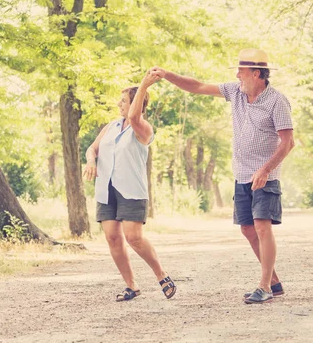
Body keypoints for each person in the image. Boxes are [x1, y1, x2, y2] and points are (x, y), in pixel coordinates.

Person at [150, 48, 294, 304]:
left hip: (265, 176)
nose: (237, 75)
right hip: (242, 175)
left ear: (257, 73)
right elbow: (197, 86)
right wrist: (167, 75)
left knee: (262, 227)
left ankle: (265, 286)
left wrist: (266, 169)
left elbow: (287, 143)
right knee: (248, 230)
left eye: (242, 71)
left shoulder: (277, 101)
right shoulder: (235, 92)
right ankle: (274, 281)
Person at [83, 73, 176, 302]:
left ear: (135, 103)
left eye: (123, 100)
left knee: (133, 237)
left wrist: (144, 84)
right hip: (106, 189)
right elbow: (91, 149)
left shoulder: (143, 128)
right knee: (113, 237)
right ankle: (131, 286)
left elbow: (134, 116)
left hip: (131, 189)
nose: (119, 104)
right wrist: (91, 161)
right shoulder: (111, 126)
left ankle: (161, 275)